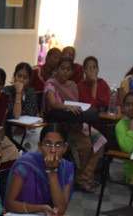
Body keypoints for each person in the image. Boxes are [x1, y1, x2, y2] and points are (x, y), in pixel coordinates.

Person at [44, 58, 104, 192]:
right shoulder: (51, 84)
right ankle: (82, 179)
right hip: (62, 124)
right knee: (86, 145)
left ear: (71, 72)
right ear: (57, 69)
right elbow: (53, 103)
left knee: (101, 141)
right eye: (63, 68)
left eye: (68, 69)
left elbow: (78, 105)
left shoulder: (72, 85)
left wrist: (74, 108)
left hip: (77, 121)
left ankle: (84, 177)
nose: (65, 72)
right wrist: (66, 107)